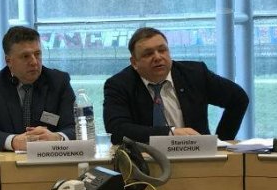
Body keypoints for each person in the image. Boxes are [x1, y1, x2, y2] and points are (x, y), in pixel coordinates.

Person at [104, 27, 249, 143]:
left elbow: (238, 99)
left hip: (197, 156)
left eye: (162, 50)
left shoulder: (195, 74)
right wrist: (170, 133)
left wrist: (220, 142)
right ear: (134, 62)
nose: (157, 57)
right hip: (145, 161)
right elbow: (116, 130)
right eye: (148, 54)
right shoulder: (119, 85)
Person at [0, 26, 76, 151]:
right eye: (25, 56)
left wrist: (57, 138)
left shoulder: (59, 82)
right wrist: (14, 141)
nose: (34, 62)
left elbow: (75, 127)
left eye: (37, 54)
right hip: (7, 160)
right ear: (8, 61)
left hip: (49, 157)